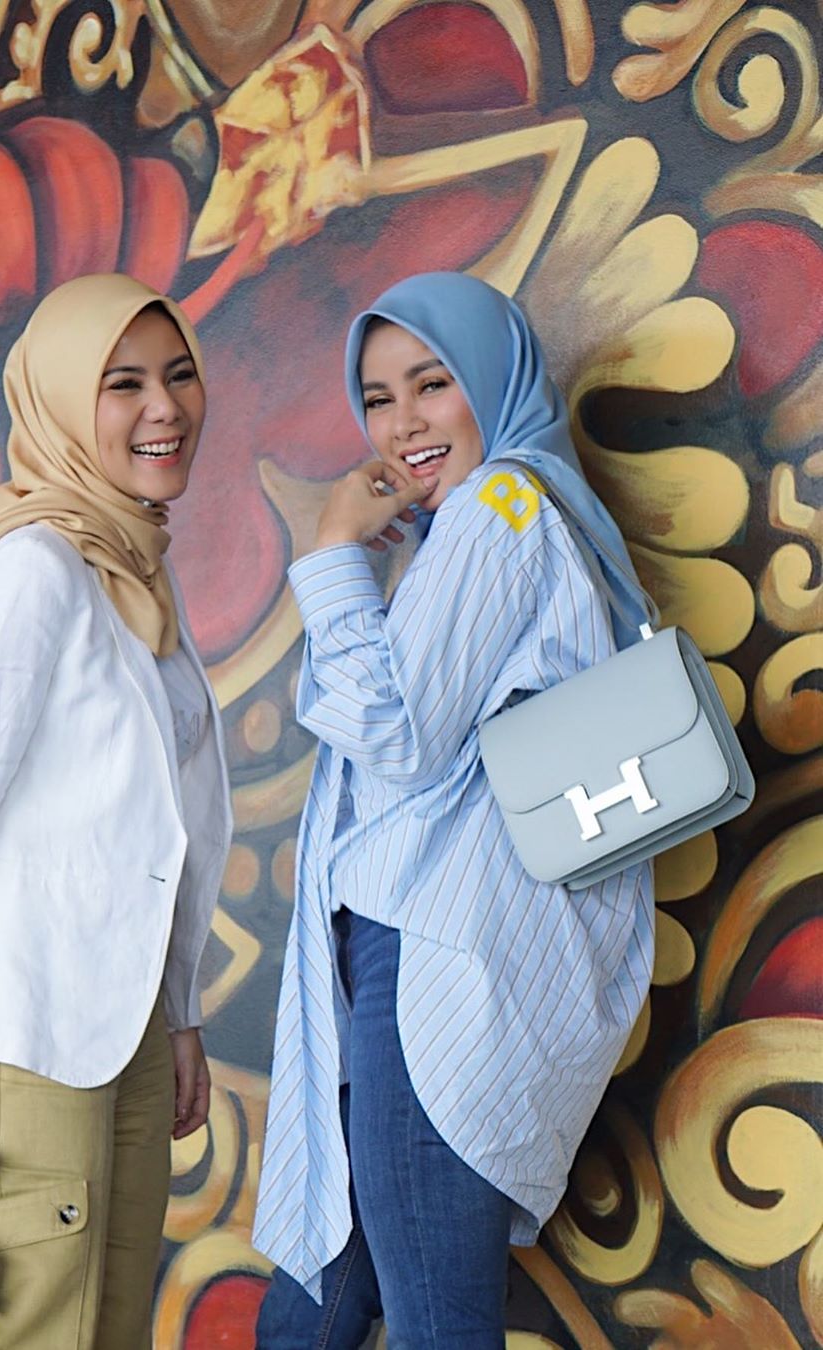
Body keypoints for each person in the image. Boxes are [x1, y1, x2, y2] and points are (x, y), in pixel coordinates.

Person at [252, 273, 655, 1348]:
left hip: (435, 961)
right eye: (377, 398)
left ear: (491, 376)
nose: (402, 423)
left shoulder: (502, 507)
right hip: (412, 956)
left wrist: (329, 557)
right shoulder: (485, 527)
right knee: (308, 1316)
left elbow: (395, 735)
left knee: (436, 1320)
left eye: (432, 383)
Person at [0, 273, 233, 1349]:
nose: (164, 408)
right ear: (64, 401)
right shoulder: (32, 570)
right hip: (22, 1048)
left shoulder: (131, 568)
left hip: (119, 1037)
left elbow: (159, 830)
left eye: (178, 376)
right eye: (123, 384)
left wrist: (177, 1014)